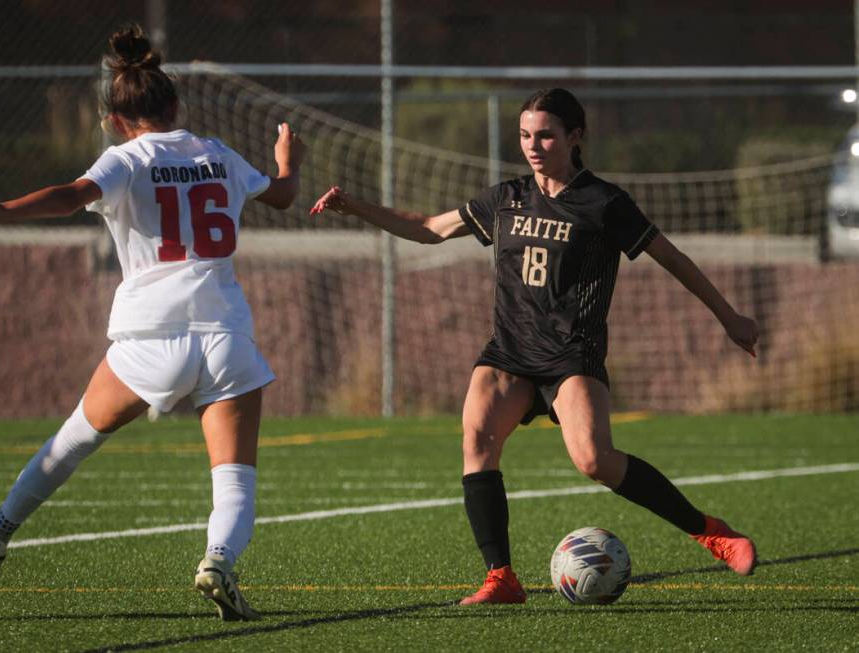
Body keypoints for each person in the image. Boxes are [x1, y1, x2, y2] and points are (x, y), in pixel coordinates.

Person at [311, 88, 758, 605]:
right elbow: (430, 229)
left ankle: (712, 531)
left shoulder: (604, 202)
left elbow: (672, 257)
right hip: (509, 351)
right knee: (476, 437)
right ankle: (501, 577)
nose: (534, 145)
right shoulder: (507, 197)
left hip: (572, 353)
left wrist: (729, 317)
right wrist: (355, 206)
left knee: (594, 459)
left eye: (546, 134)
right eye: (525, 135)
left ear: (575, 136)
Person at [0, 24, 305, 621]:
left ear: (114, 119)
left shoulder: (126, 159)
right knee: (234, 478)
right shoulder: (219, 153)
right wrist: (288, 162)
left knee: (74, 439)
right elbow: (283, 196)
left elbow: (68, 194)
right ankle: (217, 563)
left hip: (151, 335)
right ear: (176, 104)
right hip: (224, 331)